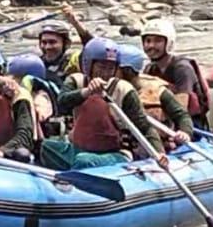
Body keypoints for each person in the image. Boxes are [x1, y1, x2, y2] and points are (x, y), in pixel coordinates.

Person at [41, 37, 166, 170]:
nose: (105, 73)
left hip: (115, 153)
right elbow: (61, 103)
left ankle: (78, 176)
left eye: (110, 68)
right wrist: (86, 92)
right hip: (79, 148)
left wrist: (159, 153)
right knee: (47, 147)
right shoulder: (75, 81)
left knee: (84, 161)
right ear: (88, 65)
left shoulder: (123, 89)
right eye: (101, 67)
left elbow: (144, 127)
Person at [117, 43, 193, 151]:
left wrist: (185, 132)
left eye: (115, 68)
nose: (109, 72)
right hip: (127, 148)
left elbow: (181, 115)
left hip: (159, 146)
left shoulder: (157, 90)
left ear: (127, 71)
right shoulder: (113, 89)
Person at [141, 19, 213, 130]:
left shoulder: (182, 68)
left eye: (157, 41)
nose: (151, 45)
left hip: (190, 124)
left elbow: (181, 107)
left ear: (169, 43)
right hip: (164, 121)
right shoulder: (150, 69)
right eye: (148, 41)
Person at [40, 3, 93, 86]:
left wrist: (74, 21)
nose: (47, 47)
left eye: (52, 42)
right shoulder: (37, 63)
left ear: (67, 43)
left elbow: (92, 47)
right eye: (44, 42)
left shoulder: (73, 61)